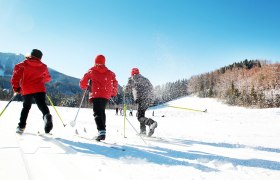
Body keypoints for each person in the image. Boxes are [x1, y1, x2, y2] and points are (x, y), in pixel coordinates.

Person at [11, 49, 53, 134]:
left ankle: (21, 126)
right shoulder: (43, 66)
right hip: (39, 89)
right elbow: (48, 78)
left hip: (27, 89)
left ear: (30, 55)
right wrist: (41, 79)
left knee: (26, 107)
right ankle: (47, 116)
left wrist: (16, 88)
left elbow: (15, 77)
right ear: (40, 57)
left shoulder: (23, 65)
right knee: (42, 105)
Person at [80, 54, 118, 141]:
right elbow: (115, 82)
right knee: (101, 112)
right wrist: (113, 91)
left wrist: (86, 86)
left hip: (96, 94)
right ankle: (102, 131)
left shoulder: (91, 71)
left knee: (97, 113)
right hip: (106, 95)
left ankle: (101, 131)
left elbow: (82, 83)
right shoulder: (110, 73)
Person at [125, 68, 157, 137]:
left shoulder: (132, 79)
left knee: (139, 117)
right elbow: (152, 88)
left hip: (141, 99)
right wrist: (151, 100)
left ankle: (151, 123)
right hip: (148, 99)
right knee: (141, 115)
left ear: (132, 73)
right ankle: (143, 131)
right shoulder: (145, 79)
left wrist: (126, 87)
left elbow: (126, 89)